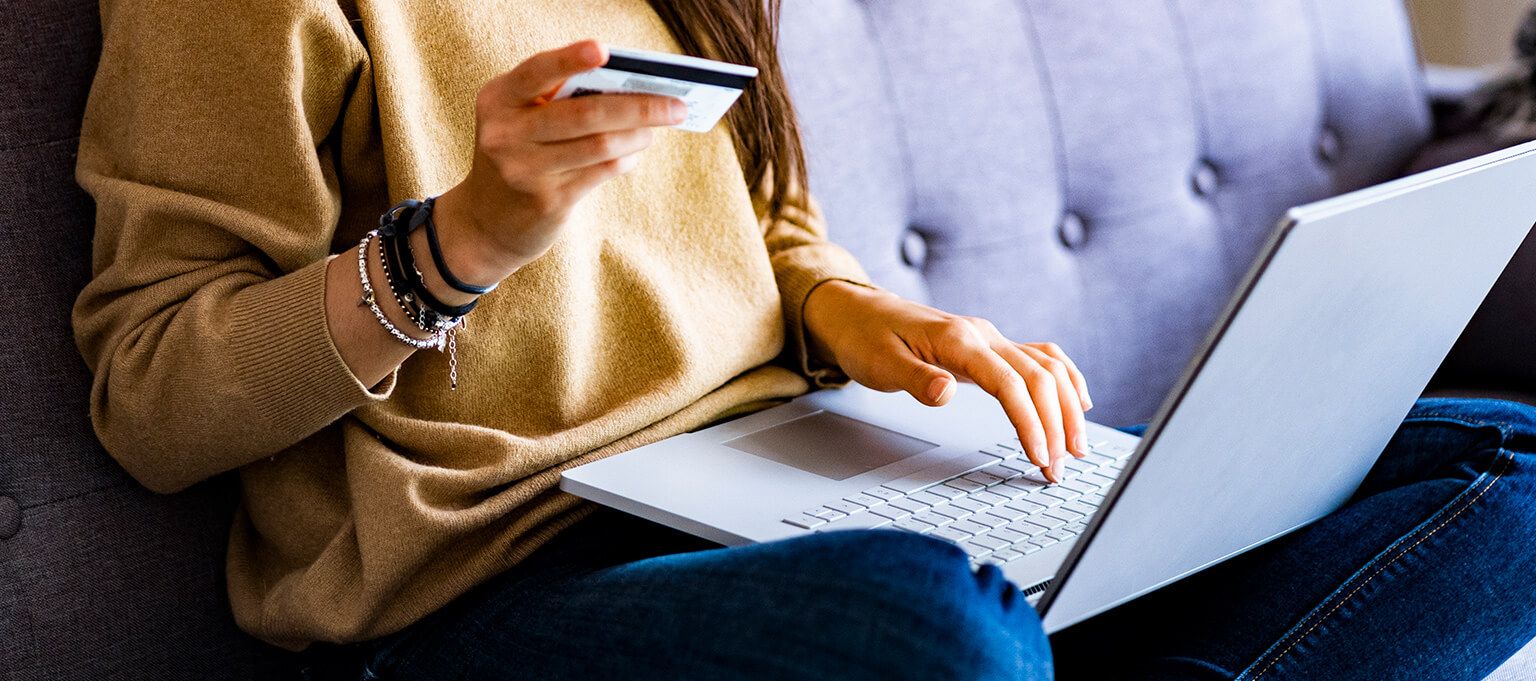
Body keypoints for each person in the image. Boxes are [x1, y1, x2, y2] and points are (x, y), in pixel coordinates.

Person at [72, 1, 1536, 679]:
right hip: (490, 581)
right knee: (946, 637)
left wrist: (879, 319)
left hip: (788, 468)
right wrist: (452, 250)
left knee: (1511, 470)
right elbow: (151, 387)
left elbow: (766, 216)